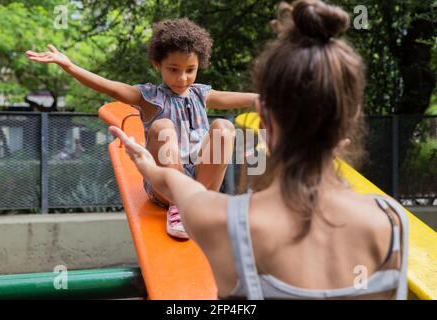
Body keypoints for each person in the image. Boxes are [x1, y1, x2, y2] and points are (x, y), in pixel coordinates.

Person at [108, 0, 409, 300]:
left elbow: (174, 184)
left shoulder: (223, 221)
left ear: (264, 121)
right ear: (351, 122)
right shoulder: (393, 222)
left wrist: (147, 165)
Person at [26, 18, 258, 239]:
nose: (183, 78)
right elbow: (113, 89)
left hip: (199, 184)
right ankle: (179, 208)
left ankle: (204, 203)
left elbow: (238, 98)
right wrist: (70, 67)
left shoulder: (200, 93)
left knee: (224, 127)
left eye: (190, 69)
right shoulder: (150, 97)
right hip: (165, 186)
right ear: (157, 64)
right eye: (173, 69)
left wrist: (267, 96)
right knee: (163, 126)